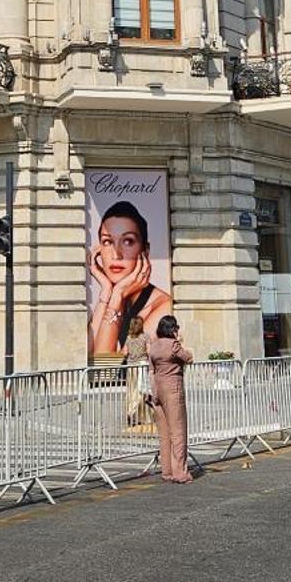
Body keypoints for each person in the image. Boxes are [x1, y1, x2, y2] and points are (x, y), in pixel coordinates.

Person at [88, 201, 172, 358]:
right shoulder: (114, 297)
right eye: (107, 242)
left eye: (128, 241)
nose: (116, 254)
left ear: (145, 251)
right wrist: (107, 291)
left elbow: (104, 368)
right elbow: (85, 353)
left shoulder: (163, 307)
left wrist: (117, 294)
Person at [145, 314, 194, 483]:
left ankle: (166, 471)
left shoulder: (154, 346)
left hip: (157, 388)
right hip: (173, 387)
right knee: (178, 431)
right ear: (172, 329)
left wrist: (154, 391)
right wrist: (180, 340)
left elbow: (151, 370)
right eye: (176, 328)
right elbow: (188, 358)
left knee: (164, 434)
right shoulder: (173, 344)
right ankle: (180, 472)